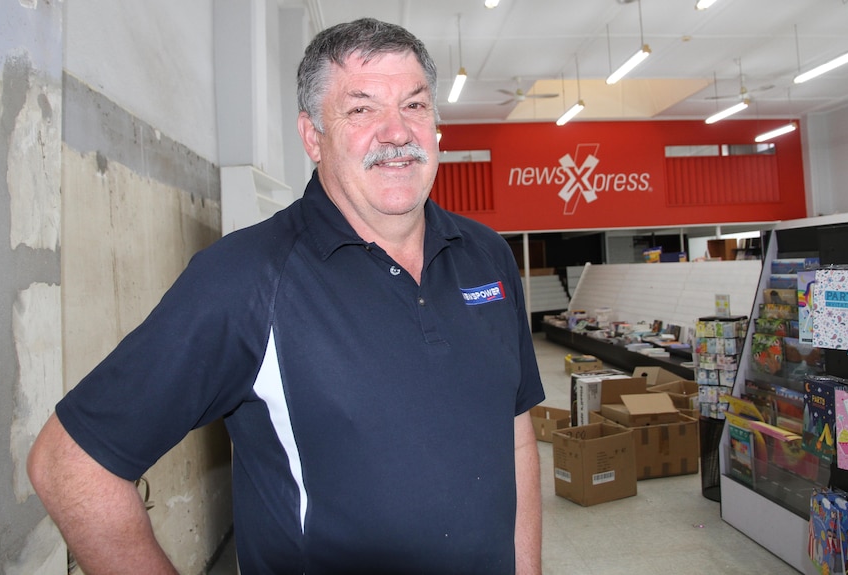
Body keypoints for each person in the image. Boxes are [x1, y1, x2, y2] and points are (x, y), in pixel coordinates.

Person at [28, 17, 545, 574]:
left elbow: (514, 441)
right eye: (362, 108)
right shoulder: (245, 278)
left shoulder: (488, 257)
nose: (397, 132)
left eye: (415, 105)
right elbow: (69, 465)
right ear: (311, 136)